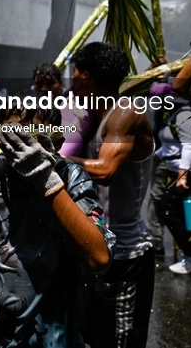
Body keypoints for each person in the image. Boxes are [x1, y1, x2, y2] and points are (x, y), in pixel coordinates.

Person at [0, 89, 114, 347]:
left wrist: (44, 177)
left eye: (30, 137)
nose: (20, 147)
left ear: (55, 143)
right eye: (13, 136)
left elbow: (99, 256)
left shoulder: (69, 177)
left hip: (52, 334)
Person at [65, 41, 155, 348]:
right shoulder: (91, 116)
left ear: (87, 76)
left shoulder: (125, 114)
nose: (72, 80)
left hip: (125, 254)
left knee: (120, 342)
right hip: (94, 246)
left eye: (74, 73)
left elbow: (104, 170)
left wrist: (49, 158)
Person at [147, 82, 191, 274]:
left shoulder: (184, 116)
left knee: (166, 210)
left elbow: (188, 146)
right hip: (189, 174)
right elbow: (172, 146)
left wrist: (182, 175)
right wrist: (152, 156)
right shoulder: (174, 116)